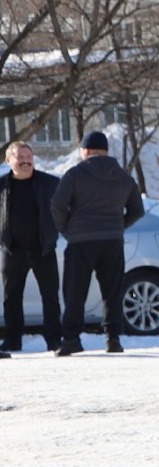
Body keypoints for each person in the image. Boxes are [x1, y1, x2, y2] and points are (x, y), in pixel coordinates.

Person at [51, 131, 143, 354]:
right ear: (106, 151)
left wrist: (67, 229)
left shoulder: (75, 175)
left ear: (85, 150)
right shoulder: (124, 177)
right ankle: (113, 338)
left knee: (75, 291)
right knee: (112, 291)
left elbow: (57, 206)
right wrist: (118, 225)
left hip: (81, 241)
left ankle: (72, 339)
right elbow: (137, 211)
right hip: (112, 241)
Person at [1, 140, 62, 355]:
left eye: (28, 157)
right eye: (20, 158)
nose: (25, 161)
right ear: (9, 161)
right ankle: (12, 341)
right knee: (11, 298)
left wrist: (56, 232)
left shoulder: (50, 183)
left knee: (51, 297)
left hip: (43, 249)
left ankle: (54, 341)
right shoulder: (2, 186)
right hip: (12, 249)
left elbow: (65, 210)